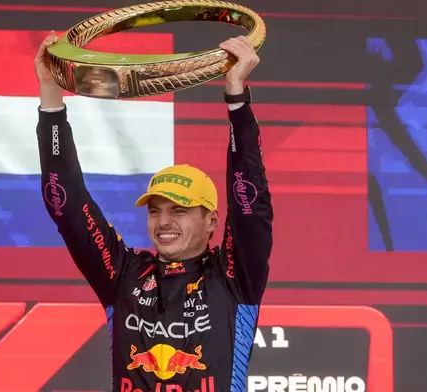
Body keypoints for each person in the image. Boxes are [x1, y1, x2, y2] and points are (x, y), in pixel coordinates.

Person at [35, 31, 273, 392]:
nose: (163, 222)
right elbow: (64, 202)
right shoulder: (124, 274)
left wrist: (237, 98)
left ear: (211, 221)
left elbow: (249, 204)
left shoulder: (234, 277)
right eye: (155, 210)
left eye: (179, 210)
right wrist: (51, 97)